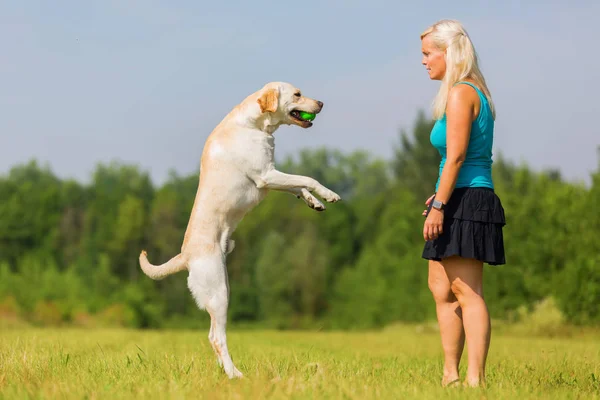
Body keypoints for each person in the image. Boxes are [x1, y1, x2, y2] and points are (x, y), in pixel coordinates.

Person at [419, 19, 506, 388]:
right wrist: (439, 195)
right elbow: (451, 161)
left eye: (427, 54)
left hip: (468, 198)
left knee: (467, 292)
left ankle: (475, 380)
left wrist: (441, 205)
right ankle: (450, 377)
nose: (423, 61)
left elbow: (456, 159)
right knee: (441, 289)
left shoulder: (462, 93)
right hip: (454, 194)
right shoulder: (461, 91)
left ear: (447, 52)